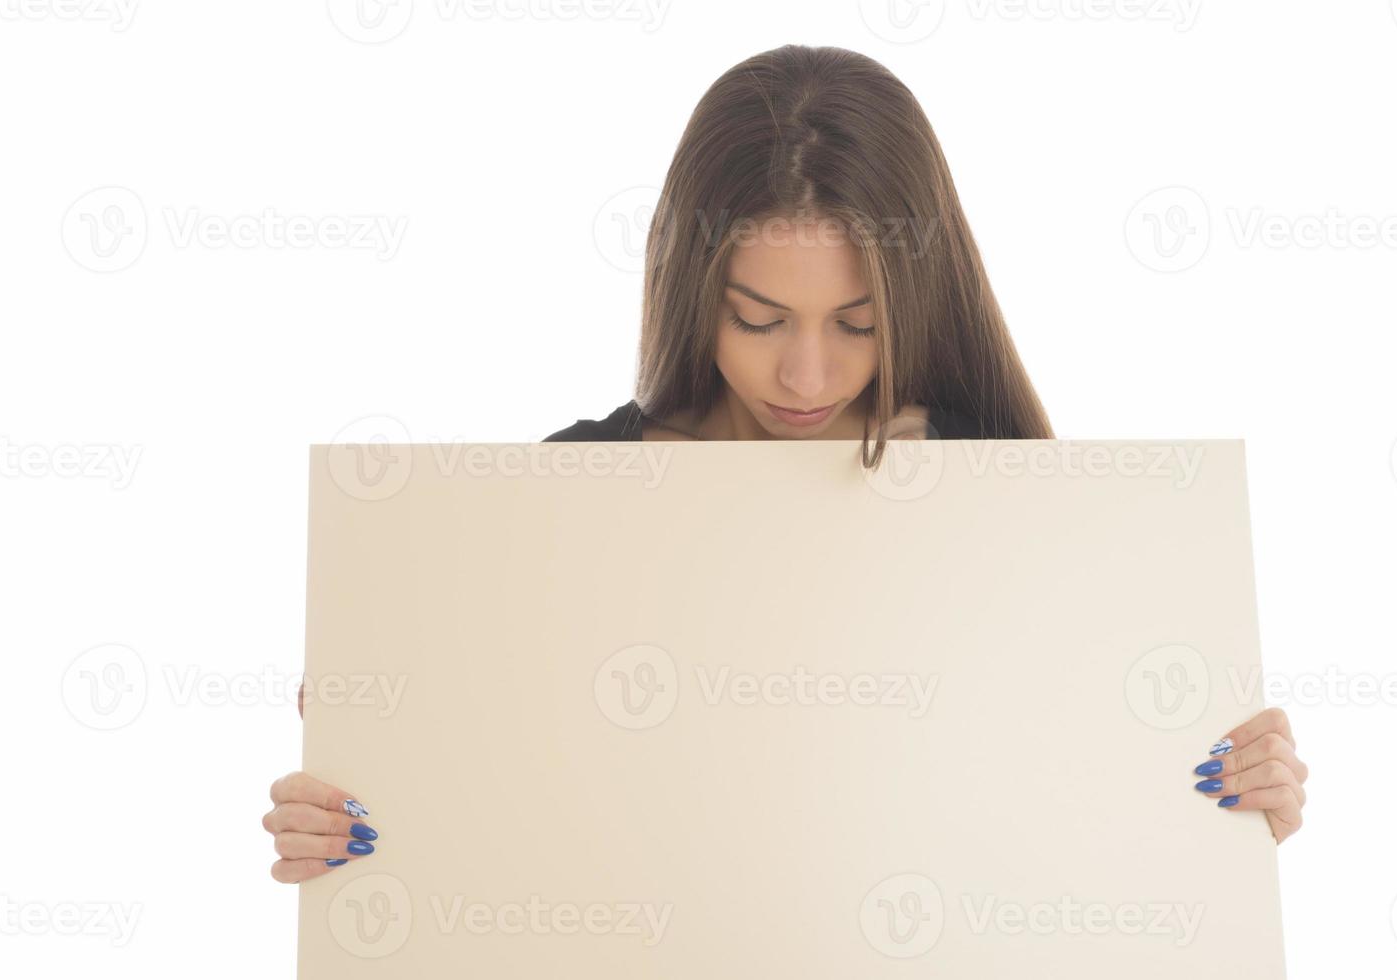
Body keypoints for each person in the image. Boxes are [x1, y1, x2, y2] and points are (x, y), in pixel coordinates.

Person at [261, 44, 1308, 884]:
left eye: (857, 323)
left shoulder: (1007, 502)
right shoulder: (558, 502)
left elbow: (1072, 816)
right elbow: (501, 817)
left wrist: (1224, 820)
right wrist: (365, 810)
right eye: (759, 318)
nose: (808, 374)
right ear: (691, 289)